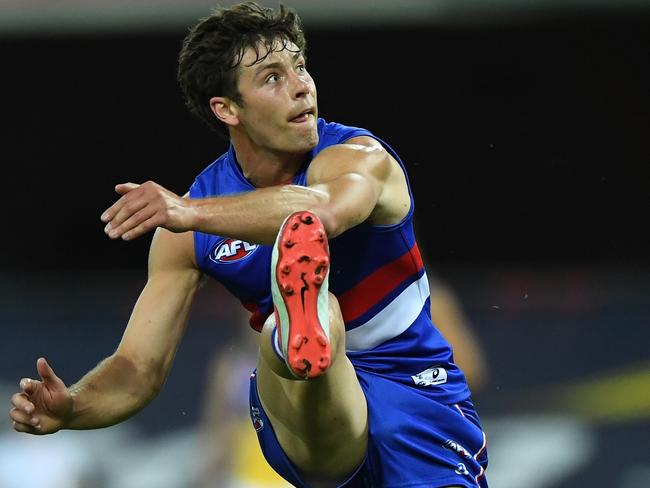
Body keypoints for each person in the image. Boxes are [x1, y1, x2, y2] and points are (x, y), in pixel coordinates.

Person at [10, 2, 489, 487]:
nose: (302, 85)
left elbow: (322, 212)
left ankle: (300, 330)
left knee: (311, 320)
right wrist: (73, 407)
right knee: (298, 329)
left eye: (300, 67)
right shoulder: (190, 225)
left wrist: (191, 214)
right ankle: (298, 334)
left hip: (417, 395)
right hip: (303, 412)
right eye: (272, 77)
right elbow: (136, 370)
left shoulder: (359, 157)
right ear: (227, 108)